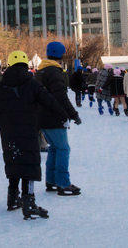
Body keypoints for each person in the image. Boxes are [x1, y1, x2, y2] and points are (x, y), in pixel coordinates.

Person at [0, 50, 68, 220]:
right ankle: (29, 202)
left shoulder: (1, 85)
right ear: (25, 65)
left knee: (13, 160)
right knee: (29, 163)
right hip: (28, 129)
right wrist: (63, 115)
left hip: (8, 130)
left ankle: (12, 198)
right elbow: (49, 101)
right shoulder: (32, 84)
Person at [35, 42, 82, 197]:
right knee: (63, 148)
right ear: (61, 55)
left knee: (55, 148)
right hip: (53, 116)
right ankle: (63, 183)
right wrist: (72, 114)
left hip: (42, 116)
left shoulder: (40, 71)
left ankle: (51, 180)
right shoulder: (55, 72)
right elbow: (61, 97)